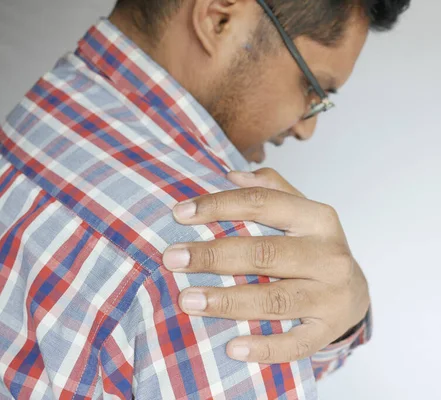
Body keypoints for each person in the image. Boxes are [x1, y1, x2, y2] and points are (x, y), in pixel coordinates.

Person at [0, 0, 410, 398]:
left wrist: (343, 318)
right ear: (219, 19)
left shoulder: (46, 110)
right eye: (313, 88)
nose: (307, 128)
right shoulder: (221, 252)